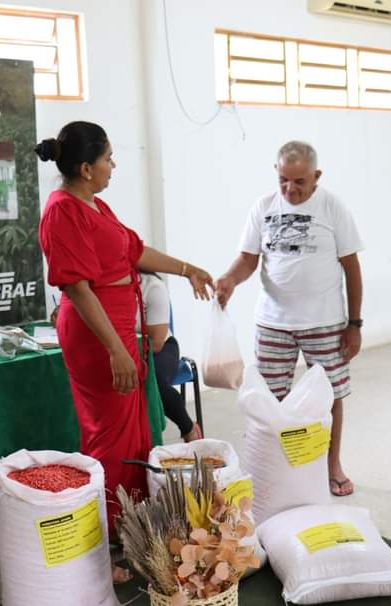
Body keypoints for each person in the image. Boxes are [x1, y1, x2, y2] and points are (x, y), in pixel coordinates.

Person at [35, 121, 213, 566]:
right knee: (108, 435)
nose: (113, 164)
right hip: (97, 333)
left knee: (134, 434)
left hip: (118, 326)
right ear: (85, 167)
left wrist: (187, 268)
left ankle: (129, 527)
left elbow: (134, 252)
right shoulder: (62, 211)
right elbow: (76, 287)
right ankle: (106, 542)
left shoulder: (96, 206)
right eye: (108, 157)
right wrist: (116, 348)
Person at [215, 141, 364, 496]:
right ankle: (277, 467)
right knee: (269, 397)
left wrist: (354, 325)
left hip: (325, 323)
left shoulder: (332, 207)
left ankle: (332, 465)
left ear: (317, 176)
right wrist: (229, 280)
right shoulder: (263, 207)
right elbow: (248, 259)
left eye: (299, 182)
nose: (290, 190)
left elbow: (352, 269)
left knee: (330, 396)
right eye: (284, 180)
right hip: (273, 323)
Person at [139, 272, 203, 442]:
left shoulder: (151, 285)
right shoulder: (101, 286)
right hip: (124, 350)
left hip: (159, 347)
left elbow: (157, 342)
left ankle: (188, 428)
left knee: (153, 381)